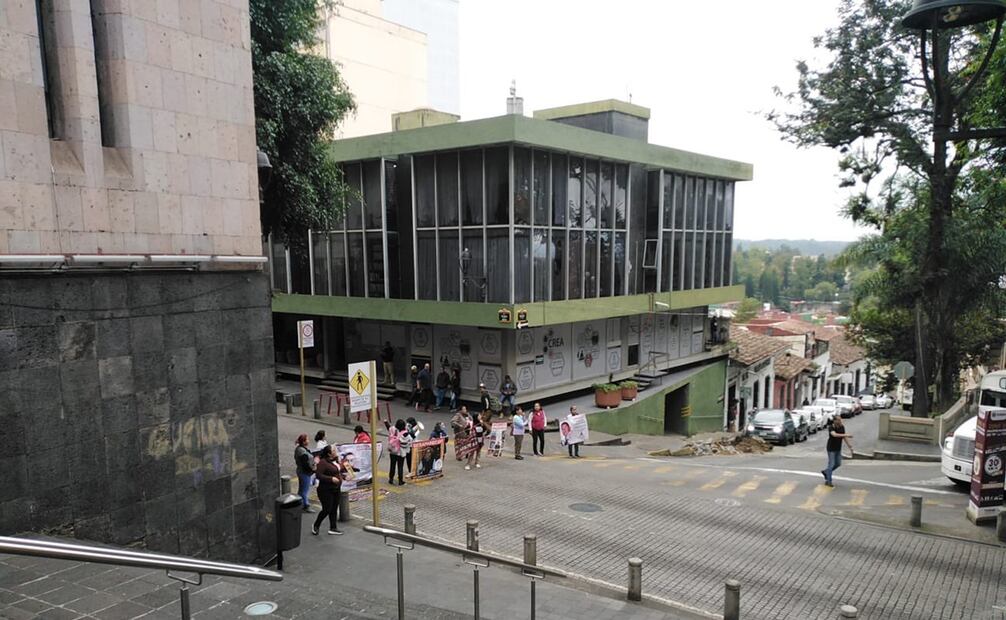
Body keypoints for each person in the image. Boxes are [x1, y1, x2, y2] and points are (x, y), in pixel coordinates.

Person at [311, 446, 344, 536]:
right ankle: (316, 525)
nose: (335, 451)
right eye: (333, 450)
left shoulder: (336, 460)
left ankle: (333, 528)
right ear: (329, 454)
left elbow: (338, 470)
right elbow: (318, 475)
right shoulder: (323, 463)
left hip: (336, 489)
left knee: (334, 508)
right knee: (327, 509)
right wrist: (331, 479)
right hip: (325, 490)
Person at [822, 415, 853, 487]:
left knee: (838, 463)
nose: (840, 421)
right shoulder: (831, 427)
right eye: (838, 420)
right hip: (831, 448)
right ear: (835, 421)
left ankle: (826, 472)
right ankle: (829, 481)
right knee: (831, 464)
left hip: (838, 448)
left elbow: (843, 437)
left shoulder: (842, 427)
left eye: (840, 420)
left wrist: (849, 445)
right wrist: (846, 434)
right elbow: (834, 435)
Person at [294, 434, 315, 512]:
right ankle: (306, 505)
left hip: (303, 472)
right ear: (304, 442)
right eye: (307, 439)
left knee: (302, 489)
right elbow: (305, 464)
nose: (308, 441)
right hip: (304, 473)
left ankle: (299, 503)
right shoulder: (301, 451)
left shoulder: (301, 449)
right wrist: (312, 470)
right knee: (304, 491)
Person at [388, 419, 409, 486]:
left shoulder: (392, 429)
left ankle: (391, 479)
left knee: (392, 465)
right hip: (400, 452)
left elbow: (389, 428)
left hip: (392, 451)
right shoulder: (405, 433)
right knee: (400, 466)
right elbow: (408, 442)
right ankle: (400, 481)